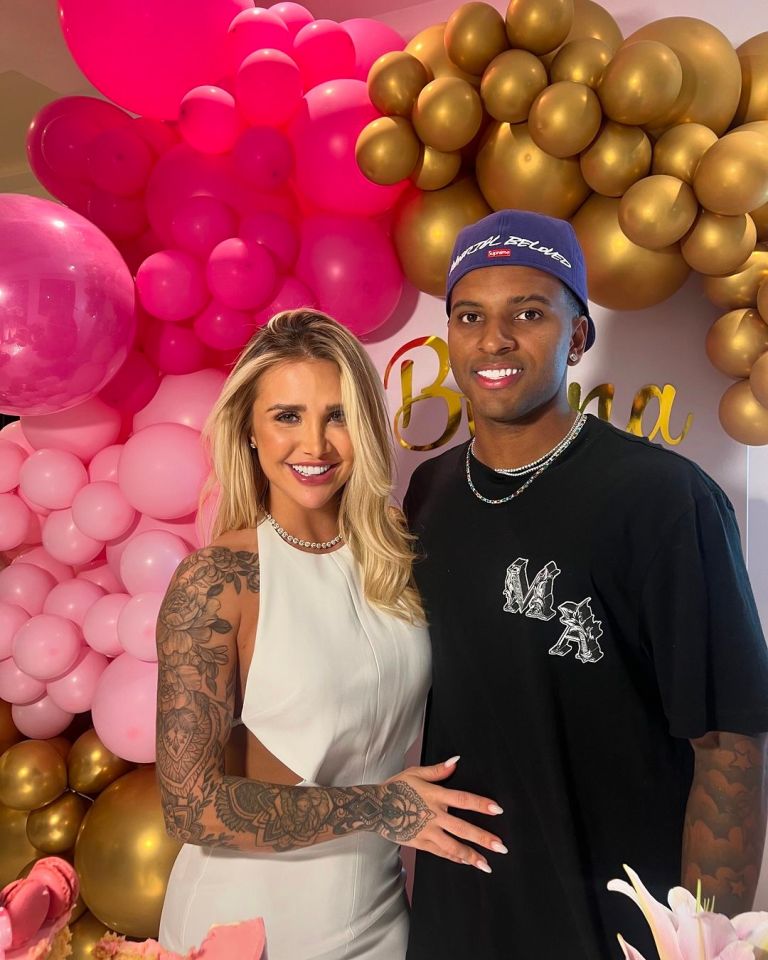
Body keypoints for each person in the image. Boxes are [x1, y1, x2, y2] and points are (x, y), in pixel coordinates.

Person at [404, 210, 768, 960]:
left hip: (612, 930)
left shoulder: (665, 501)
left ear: (576, 337)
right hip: (461, 918)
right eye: (470, 316)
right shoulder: (429, 492)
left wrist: (699, 946)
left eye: (528, 313)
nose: (494, 339)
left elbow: (728, 744)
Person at [156, 310, 505, 960]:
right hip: (249, 922)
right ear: (250, 430)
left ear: (367, 427)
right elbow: (189, 805)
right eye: (287, 415)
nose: (313, 444)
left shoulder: (400, 560)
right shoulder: (220, 579)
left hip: (378, 916)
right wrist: (381, 810)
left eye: (337, 414)